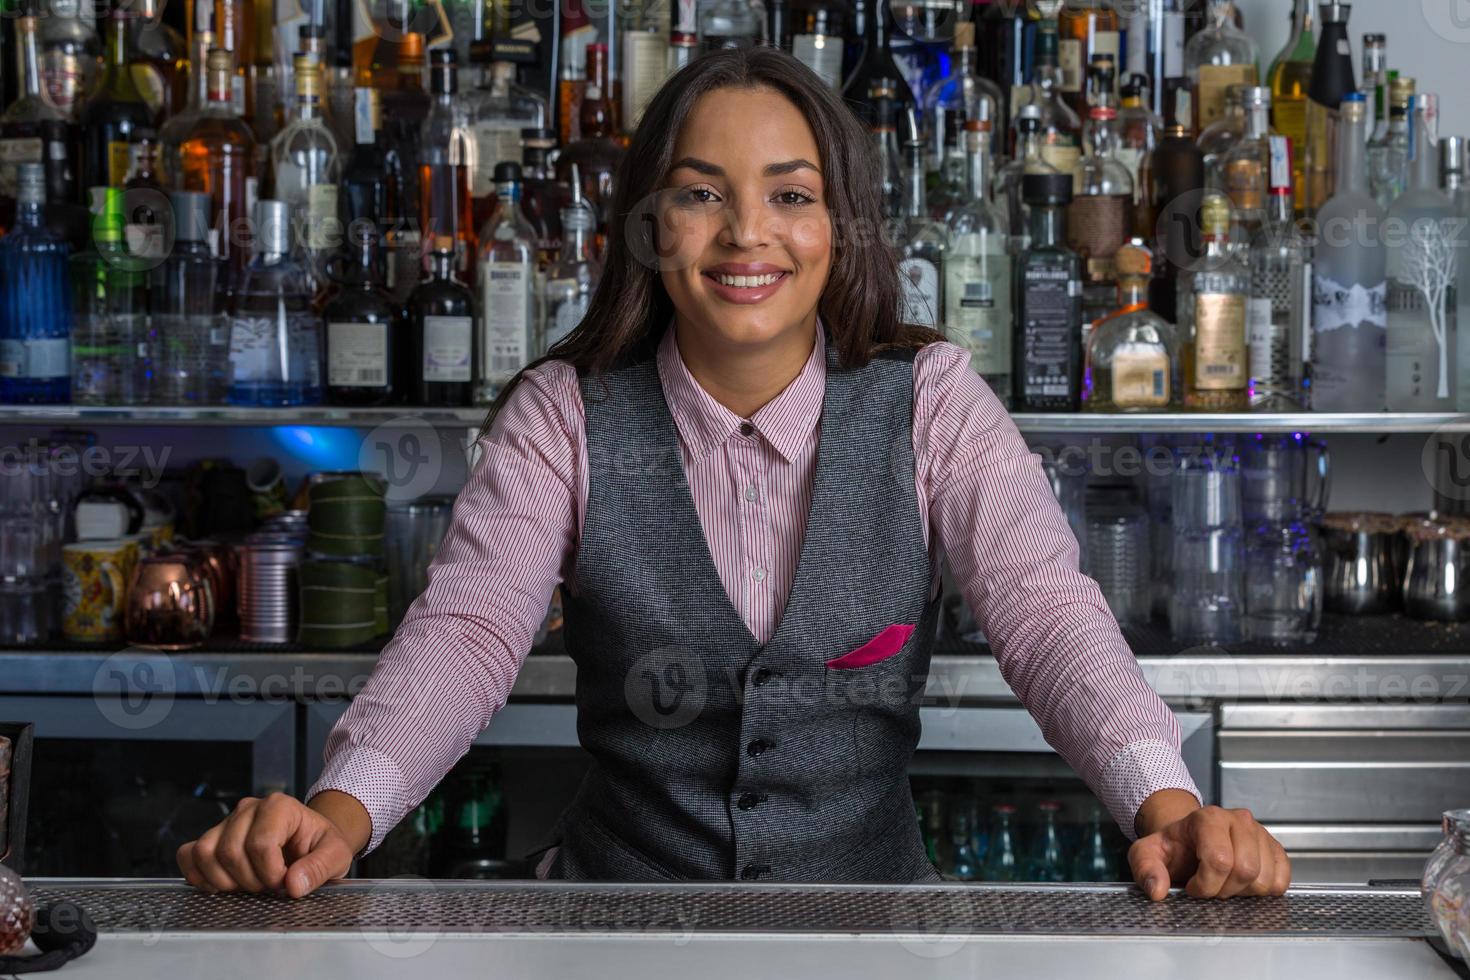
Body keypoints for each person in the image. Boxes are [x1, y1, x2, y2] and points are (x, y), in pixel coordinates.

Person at [177, 48, 1290, 899]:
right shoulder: (565, 412)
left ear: (841, 224)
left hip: (869, 934)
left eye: (792, 195)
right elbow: (468, 629)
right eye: (704, 193)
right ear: (651, 222)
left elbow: (1045, 610)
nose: (747, 233)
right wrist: (343, 810)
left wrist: (1168, 803)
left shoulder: (931, 397)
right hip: (617, 929)